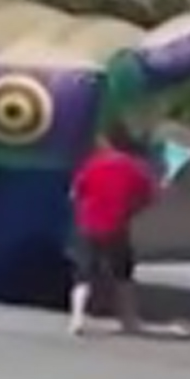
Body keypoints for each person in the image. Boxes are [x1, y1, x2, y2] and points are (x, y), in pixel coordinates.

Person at [66, 122, 159, 336]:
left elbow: (74, 193)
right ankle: (129, 321)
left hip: (87, 225)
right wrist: (131, 210)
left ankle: (77, 319)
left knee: (83, 274)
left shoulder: (92, 164)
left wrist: (84, 208)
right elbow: (149, 197)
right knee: (123, 275)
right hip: (117, 225)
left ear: (106, 141)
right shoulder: (134, 168)